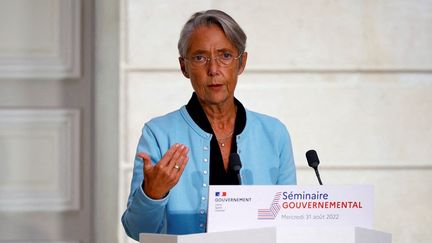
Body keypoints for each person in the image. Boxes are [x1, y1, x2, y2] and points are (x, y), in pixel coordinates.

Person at [121, 9, 297, 240]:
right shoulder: (158, 134)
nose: (213, 70)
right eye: (200, 57)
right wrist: (152, 194)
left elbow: (289, 225)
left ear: (241, 63)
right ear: (184, 67)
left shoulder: (274, 133)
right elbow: (136, 231)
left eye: (225, 55)